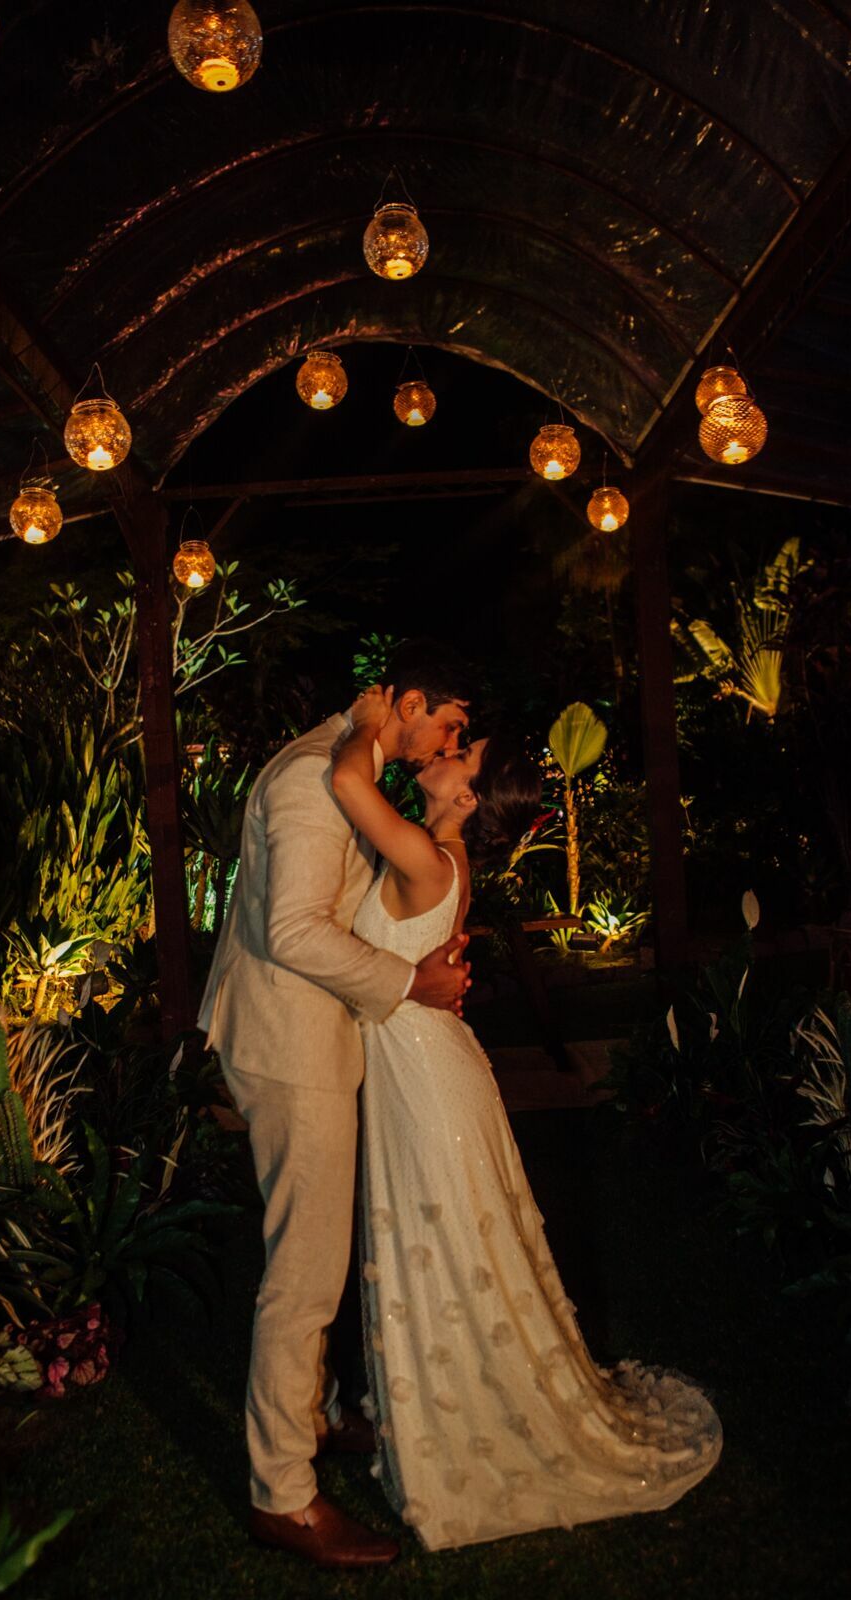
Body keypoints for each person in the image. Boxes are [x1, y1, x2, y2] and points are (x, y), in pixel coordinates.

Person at [330, 686, 722, 1552]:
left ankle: (459, 1418)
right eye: (452, 741)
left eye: (459, 753)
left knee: (442, 1238)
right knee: (457, 1239)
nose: (443, 749)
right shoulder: (443, 857)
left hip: (425, 1076)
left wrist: (366, 723)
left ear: (466, 797)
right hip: (428, 1064)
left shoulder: (433, 860)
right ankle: (451, 1401)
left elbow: (353, 791)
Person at [197, 640, 476, 1569]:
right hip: (289, 1046)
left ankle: (309, 1418)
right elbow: (290, 932)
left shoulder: (338, 766)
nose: (447, 739)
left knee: (310, 1254)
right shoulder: (312, 781)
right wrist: (407, 983)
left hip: (305, 1037)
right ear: (401, 700)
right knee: (306, 1271)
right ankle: (282, 1493)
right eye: (446, 720)